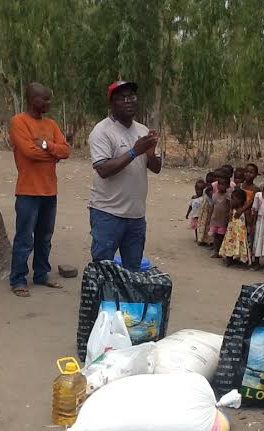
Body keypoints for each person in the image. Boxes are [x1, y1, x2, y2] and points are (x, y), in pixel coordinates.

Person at [88, 80, 161, 271]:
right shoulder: (102, 131)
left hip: (136, 215)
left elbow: (156, 168)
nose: (128, 101)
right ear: (112, 103)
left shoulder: (142, 130)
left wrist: (151, 153)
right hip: (107, 213)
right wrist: (134, 152)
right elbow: (103, 170)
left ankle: (125, 302)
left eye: (132, 97)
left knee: (133, 270)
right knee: (103, 269)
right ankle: (101, 301)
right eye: (121, 98)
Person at [9, 82, 70, 297]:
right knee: (24, 237)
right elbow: (28, 152)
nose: (48, 102)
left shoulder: (51, 124)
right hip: (27, 191)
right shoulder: (18, 122)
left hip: (49, 191)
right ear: (32, 99)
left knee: (44, 236)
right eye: (44, 99)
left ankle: (41, 274)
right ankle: (18, 278)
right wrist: (51, 153)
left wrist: (46, 146)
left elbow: (65, 151)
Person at [220, 189, 251, 266]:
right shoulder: (232, 210)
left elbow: (248, 221)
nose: (231, 200)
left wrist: (249, 229)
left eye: (233, 199)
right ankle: (229, 259)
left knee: (241, 245)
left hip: (240, 234)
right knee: (230, 245)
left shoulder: (244, 211)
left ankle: (241, 260)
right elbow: (229, 220)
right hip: (231, 233)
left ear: (240, 200)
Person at [209, 175, 231, 258]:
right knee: (215, 236)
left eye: (223, 184)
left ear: (227, 186)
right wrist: (210, 218)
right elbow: (212, 207)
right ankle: (215, 250)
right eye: (219, 184)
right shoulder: (214, 195)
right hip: (215, 219)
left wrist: (228, 218)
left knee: (222, 236)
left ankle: (221, 251)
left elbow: (229, 208)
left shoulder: (228, 196)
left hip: (223, 220)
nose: (221, 186)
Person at [197, 172, 215, 246]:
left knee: (208, 225)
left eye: (211, 182)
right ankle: (202, 239)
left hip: (209, 211)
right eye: (207, 181)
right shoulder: (205, 189)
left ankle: (209, 241)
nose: (209, 183)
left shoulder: (212, 191)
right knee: (203, 224)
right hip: (204, 211)